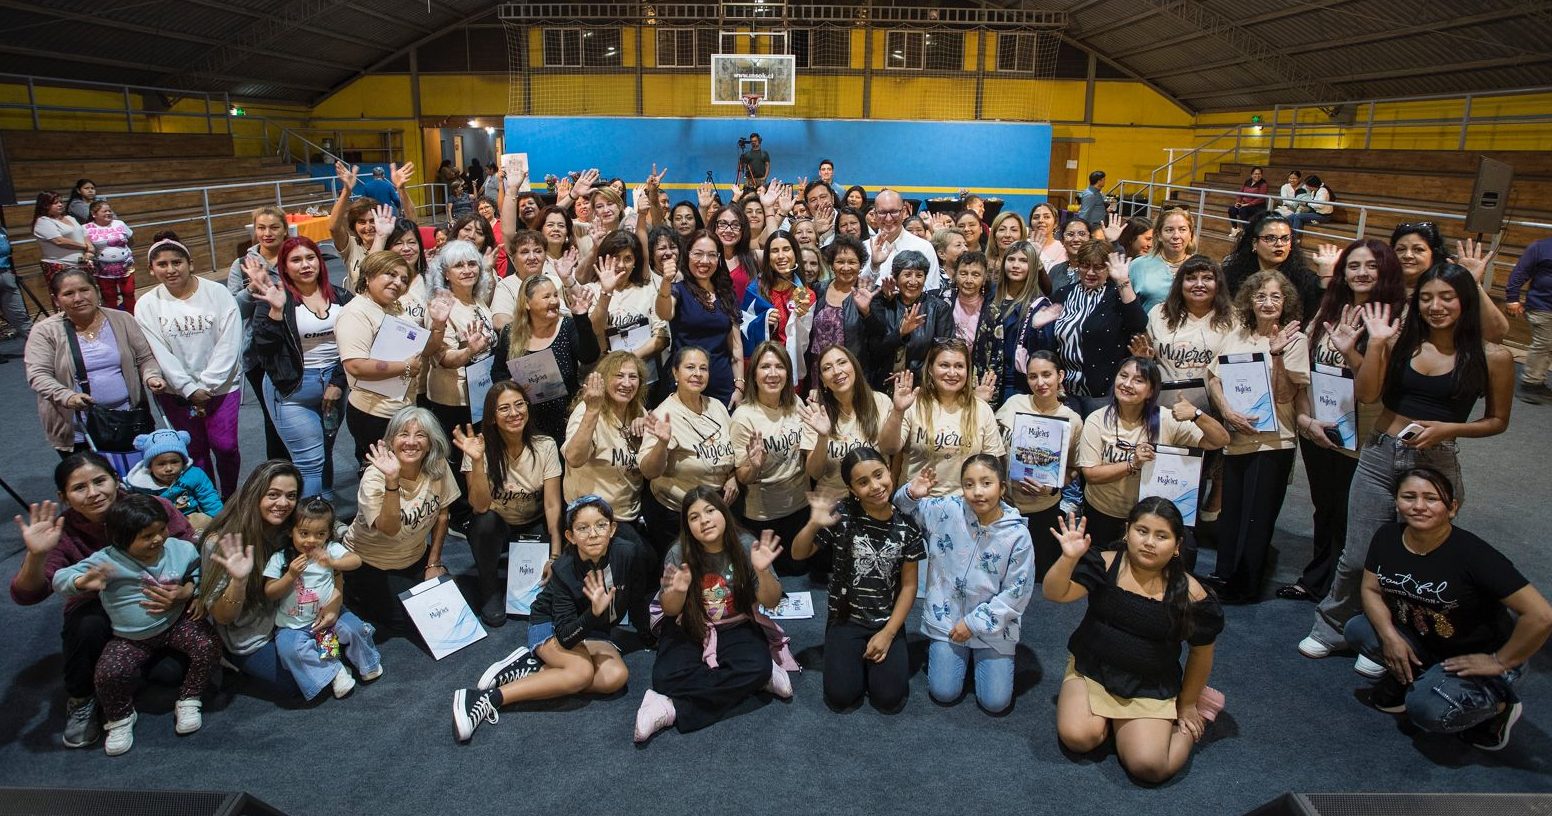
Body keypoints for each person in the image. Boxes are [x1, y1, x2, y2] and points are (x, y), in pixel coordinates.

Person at [1300, 264, 1513, 662]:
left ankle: (1388, 639)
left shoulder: (1492, 356)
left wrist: (1449, 429)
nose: (1436, 306)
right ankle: (1332, 627)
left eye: (1447, 297)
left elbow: (1497, 421)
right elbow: (1366, 395)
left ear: (1465, 300)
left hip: (1435, 463)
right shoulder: (1400, 341)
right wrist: (1370, 347)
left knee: (1414, 560)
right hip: (1380, 454)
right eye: (1428, 297)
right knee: (1358, 553)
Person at [1345, 468, 1551, 751]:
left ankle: (1500, 706)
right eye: (1409, 497)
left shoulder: (1473, 555)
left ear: (1452, 508)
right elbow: (1370, 589)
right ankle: (1420, 677)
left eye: (1431, 498)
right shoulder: (1387, 536)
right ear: (1396, 502)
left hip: (1476, 655)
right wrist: (1390, 637)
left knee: (1426, 711)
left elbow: (1541, 615)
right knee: (1359, 629)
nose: (1418, 506)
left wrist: (1500, 661)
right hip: (1427, 640)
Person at [10, 453, 195, 748]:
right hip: (98, 611)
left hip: (156, 606)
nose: (94, 493)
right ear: (64, 496)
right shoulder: (62, 530)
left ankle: (125, 667)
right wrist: (37, 554)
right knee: (86, 624)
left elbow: (191, 549)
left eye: (100, 481)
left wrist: (186, 590)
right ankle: (82, 698)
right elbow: (28, 594)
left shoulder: (152, 507)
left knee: (170, 674)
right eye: (80, 487)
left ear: (115, 479)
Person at [1043, 499, 1226, 784]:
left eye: (1161, 536)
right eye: (1142, 531)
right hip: (1092, 670)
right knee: (1079, 738)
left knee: (1149, 766)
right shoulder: (1104, 563)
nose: (1149, 542)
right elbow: (1055, 594)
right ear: (1127, 531)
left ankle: (1199, 707)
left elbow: (1201, 653)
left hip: (1150, 685)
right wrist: (1067, 559)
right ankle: (1118, 725)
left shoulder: (1192, 593)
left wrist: (1188, 703)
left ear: (1177, 545)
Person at [452, 495, 659, 742]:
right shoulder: (564, 570)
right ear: (570, 536)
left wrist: (647, 634)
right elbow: (566, 635)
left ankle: (532, 667)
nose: (593, 534)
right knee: (581, 672)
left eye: (601, 525)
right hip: (552, 625)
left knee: (615, 677)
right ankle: (488, 698)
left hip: (595, 629)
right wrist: (593, 614)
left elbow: (635, 598)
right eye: (583, 528)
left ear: (613, 528)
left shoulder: (629, 553)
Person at [1282, 239, 1406, 602]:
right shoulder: (1328, 310)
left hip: (1365, 434)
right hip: (1321, 427)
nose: (1362, 273)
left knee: (1355, 515)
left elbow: (1374, 391)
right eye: (1353, 266)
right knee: (1326, 508)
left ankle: (1350, 590)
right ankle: (1317, 577)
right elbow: (1304, 369)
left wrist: (1351, 351)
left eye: (1371, 266)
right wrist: (1306, 420)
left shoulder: (1396, 320)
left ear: (1386, 270)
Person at [53, 493, 220, 756]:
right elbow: (60, 577)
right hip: (129, 638)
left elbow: (200, 570)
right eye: (146, 536)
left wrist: (193, 590)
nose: (157, 539)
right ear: (120, 539)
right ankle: (120, 718)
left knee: (208, 645)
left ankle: (190, 697)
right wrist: (82, 581)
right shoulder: (107, 559)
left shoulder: (180, 549)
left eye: (161, 530)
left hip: (176, 624)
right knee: (108, 674)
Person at [634, 486, 793, 742]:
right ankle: (753, 681)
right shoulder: (678, 552)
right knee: (665, 679)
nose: (704, 520)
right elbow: (670, 610)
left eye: (710, 510)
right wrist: (679, 592)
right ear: (687, 526)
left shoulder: (745, 545)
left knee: (757, 666)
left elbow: (772, 602)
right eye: (694, 517)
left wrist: (762, 572)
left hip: (736, 623)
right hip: (690, 624)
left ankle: (671, 708)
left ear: (724, 513)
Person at [893, 456, 1033, 714]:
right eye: (969, 484)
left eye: (986, 483)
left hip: (992, 626)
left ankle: (980, 658)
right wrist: (912, 493)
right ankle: (962, 658)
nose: (977, 492)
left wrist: (973, 624)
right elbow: (899, 507)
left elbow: (1017, 592)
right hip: (947, 620)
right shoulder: (946, 509)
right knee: (944, 693)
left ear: (1002, 487)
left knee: (995, 703)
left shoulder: (1018, 534)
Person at [792, 447, 924, 711]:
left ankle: (871, 656)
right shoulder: (842, 515)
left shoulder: (908, 527)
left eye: (879, 475)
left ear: (890, 472)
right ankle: (852, 657)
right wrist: (814, 523)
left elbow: (909, 587)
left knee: (888, 698)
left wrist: (888, 634)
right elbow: (799, 553)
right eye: (863, 482)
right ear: (852, 489)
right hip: (845, 620)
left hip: (886, 620)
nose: (875, 486)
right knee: (841, 696)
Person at [1207, 271, 1308, 603]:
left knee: (1257, 515)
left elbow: (1283, 395)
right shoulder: (1236, 335)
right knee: (1233, 511)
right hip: (1236, 437)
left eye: (1275, 297)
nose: (1267, 303)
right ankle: (1224, 575)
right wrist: (1228, 414)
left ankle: (1245, 586)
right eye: (1260, 296)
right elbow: (1213, 379)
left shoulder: (1295, 340)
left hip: (1273, 441)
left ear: (1286, 302)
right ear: (1249, 300)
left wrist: (1276, 354)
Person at [1078, 356, 1228, 558]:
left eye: (1138, 380)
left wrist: (1196, 414)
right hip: (1104, 512)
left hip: (1147, 519)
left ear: (1151, 391)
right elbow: (1091, 475)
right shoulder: (1097, 419)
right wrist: (1132, 462)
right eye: (1123, 376)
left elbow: (1220, 440)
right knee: (1101, 572)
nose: (1127, 384)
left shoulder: (1165, 418)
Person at [198, 460, 320, 700]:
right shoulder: (222, 542)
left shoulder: (290, 527)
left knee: (330, 656)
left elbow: (328, 527)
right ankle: (230, 663)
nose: (283, 504)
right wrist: (238, 580)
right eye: (273, 495)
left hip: (292, 617)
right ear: (255, 494)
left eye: (291, 496)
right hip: (250, 636)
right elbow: (223, 616)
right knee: (298, 684)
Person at [134, 232, 243, 497]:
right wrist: (188, 388)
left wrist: (207, 385)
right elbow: (159, 351)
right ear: (151, 270)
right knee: (195, 451)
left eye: (177, 262)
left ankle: (230, 497)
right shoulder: (146, 305)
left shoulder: (217, 293)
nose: (171, 269)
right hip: (178, 392)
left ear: (190, 263)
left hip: (222, 387)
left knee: (226, 446)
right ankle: (207, 500)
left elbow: (229, 342)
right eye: (162, 264)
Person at [24, 268, 165, 468]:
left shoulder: (122, 319)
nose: (78, 298)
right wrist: (67, 396)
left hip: (129, 420)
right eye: (68, 294)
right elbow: (38, 375)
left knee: (139, 479)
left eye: (84, 290)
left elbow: (145, 358)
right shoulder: (44, 331)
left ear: (96, 290)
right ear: (56, 300)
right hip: (79, 428)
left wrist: (151, 376)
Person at [246, 236, 352, 500]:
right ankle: (311, 521)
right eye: (296, 260)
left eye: (310, 257)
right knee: (310, 462)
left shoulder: (341, 296)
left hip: (334, 387)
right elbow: (264, 349)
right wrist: (275, 311)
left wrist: (338, 383)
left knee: (324, 450)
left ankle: (323, 505)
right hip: (292, 390)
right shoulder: (276, 297)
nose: (305, 265)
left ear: (320, 261)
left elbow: (356, 344)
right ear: (284, 266)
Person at [341, 406, 461, 636]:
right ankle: (351, 592)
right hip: (370, 560)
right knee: (405, 623)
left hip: (414, 555)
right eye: (403, 434)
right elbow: (389, 529)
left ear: (430, 442)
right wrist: (392, 481)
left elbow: (443, 515)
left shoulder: (437, 465)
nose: (411, 442)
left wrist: (433, 562)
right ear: (391, 440)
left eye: (421, 435)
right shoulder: (375, 478)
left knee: (445, 609)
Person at [455, 382, 564, 627]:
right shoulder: (477, 447)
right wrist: (477, 461)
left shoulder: (545, 445)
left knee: (547, 596)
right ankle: (489, 588)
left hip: (533, 524)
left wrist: (556, 554)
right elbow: (480, 506)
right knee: (484, 522)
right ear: (492, 417)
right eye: (504, 408)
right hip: (498, 525)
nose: (514, 413)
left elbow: (552, 505)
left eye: (519, 405)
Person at [261, 497, 381, 701]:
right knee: (289, 650)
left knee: (355, 629)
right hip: (294, 624)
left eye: (320, 534)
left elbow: (356, 561)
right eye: (304, 533)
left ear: (328, 534)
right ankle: (335, 671)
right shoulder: (281, 558)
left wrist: (333, 562)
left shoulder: (330, 550)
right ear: (291, 531)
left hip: (331, 616)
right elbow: (270, 592)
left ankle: (367, 661)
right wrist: (290, 576)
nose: (311, 541)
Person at [336, 250, 449, 468]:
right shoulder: (356, 312)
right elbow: (355, 365)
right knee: (384, 477)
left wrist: (438, 325)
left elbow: (425, 350)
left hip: (402, 410)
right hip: (373, 414)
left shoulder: (396, 309)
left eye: (404, 279)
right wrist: (405, 367)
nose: (398, 283)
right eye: (390, 275)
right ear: (368, 276)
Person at [639, 347, 738, 556]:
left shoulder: (717, 406)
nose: (698, 374)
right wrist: (661, 444)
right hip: (677, 515)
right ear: (675, 373)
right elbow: (649, 471)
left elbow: (733, 451)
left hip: (717, 508)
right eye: (690, 367)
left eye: (703, 368)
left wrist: (733, 476)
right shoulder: (663, 415)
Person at [490, 272, 599, 443]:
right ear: (527, 303)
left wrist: (581, 318)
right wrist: (511, 385)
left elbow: (589, 356)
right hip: (526, 423)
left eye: (555, 295)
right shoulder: (510, 333)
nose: (554, 301)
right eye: (546, 297)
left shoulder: (567, 326)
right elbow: (497, 373)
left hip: (565, 418)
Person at [731, 342, 809, 575]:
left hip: (800, 509)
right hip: (763, 517)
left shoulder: (796, 403)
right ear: (754, 374)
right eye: (765, 367)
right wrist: (754, 466)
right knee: (766, 580)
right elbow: (742, 477)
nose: (773, 374)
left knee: (799, 574)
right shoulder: (743, 417)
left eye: (779, 366)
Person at [1045, 240, 1148, 417]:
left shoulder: (1117, 294)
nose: (1091, 272)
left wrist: (1123, 280)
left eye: (1099, 267)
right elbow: (1051, 341)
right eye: (1085, 265)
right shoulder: (1063, 294)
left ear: (1108, 269)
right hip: (1065, 390)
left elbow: (1139, 322)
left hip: (1103, 392)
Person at [891, 338, 1004, 498]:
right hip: (915, 503)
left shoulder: (982, 409)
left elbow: (992, 465)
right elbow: (890, 449)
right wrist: (897, 411)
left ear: (968, 370)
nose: (952, 373)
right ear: (930, 369)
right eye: (944, 365)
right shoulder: (912, 404)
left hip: (964, 506)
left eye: (959, 366)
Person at [563, 353, 652, 546]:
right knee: (643, 558)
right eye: (619, 376)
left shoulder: (638, 411)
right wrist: (592, 411)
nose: (626, 383)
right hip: (595, 515)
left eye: (633, 377)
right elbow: (574, 458)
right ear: (603, 379)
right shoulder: (586, 411)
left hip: (631, 512)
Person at [227, 205, 290, 462]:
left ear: (285, 229)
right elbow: (233, 311)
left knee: (299, 414)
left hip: (297, 348)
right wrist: (253, 286)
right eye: (261, 228)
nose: (267, 233)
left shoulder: (298, 256)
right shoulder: (242, 264)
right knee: (273, 416)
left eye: (274, 227)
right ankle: (279, 470)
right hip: (260, 354)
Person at [656, 230, 742, 406]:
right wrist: (666, 282)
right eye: (698, 254)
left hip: (722, 385)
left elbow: (736, 347)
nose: (704, 261)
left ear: (719, 259)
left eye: (711, 255)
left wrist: (739, 386)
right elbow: (664, 313)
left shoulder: (726, 294)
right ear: (687, 255)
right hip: (685, 385)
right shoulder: (677, 290)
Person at [1389, 221, 1509, 343]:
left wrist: (1472, 284)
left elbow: (1496, 334)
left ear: (1434, 254)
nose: (1407, 255)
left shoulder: (1451, 290)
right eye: (1400, 249)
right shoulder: (1381, 286)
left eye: (1418, 249)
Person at [867, 249, 954, 391]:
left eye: (919, 275)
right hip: (882, 384)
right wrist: (900, 333)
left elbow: (943, 352)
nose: (913, 281)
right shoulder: (883, 303)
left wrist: (910, 376)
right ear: (895, 277)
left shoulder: (939, 309)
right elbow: (873, 350)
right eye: (907, 275)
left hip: (923, 386)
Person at [1221, 211, 1323, 324]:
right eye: (1270, 238)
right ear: (1254, 243)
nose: (1279, 244)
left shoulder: (1306, 281)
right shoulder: (1232, 275)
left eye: (1285, 238)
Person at [125, 429, 222, 532]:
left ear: (183, 462)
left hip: (190, 519)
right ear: (150, 466)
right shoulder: (141, 485)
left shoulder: (194, 475)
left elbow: (209, 497)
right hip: (161, 525)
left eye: (175, 462)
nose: (169, 468)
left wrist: (220, 522)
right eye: (161, 464)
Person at [862, 190, 941, 292]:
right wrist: (874, 265)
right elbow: (860, 291)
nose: (888, 219)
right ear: (875, 215)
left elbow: (931, 291)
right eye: (882, 213)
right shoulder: (865, 247)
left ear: (903, 212)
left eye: (894, 212)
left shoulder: (924, 247)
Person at [1506, 235, 1552, 403]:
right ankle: (1530, 384)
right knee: (1543, 344)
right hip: (1543, 307)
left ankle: (1537, 380)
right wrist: (1512, 298)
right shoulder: (1541, 246)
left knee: (1547, 346)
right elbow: (1520, 272)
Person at [1128, 208, 1196, 315]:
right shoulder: (1138, 265)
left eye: (1182, 229)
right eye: (1169, 230)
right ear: (1159, 235)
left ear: (1190, 234)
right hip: (1146, 330)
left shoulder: (1201, 267)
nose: (1176, 236)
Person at [84, 200, 135, 313]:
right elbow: (87, 248)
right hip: (103, 270)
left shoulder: (119, 223)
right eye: (104, 211)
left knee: (129, 292)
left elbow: (131, 240)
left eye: (109, 210)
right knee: (109, 296)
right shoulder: (86, 228)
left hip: (125, 267)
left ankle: (132, 316)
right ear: (94, 214)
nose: (108, 213)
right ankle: (114, 320)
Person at [32, 191, 93, 283]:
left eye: (61, 202)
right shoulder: (43, 221)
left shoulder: (70, 218)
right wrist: (85, 246)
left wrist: (90, 250)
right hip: (61, 265)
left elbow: (84, 233)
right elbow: (59, 241)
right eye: (55, 203)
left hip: (81, 263)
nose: (60, 205)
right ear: (45, 205)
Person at [1048, 219, 1091, 294]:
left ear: (1090, 239)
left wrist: (1113, 241)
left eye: (1082, 234)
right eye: (1070, 234)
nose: (1076, 239)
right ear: (1062, 241)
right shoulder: (1055, 270)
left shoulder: (1097, 269)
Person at [1227, 167, 1269, 236]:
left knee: (1242, 210)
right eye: (1255, 174)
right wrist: (1238, 202)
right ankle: (1235, 229)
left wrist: (1247, 204)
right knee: (1232, 210)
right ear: (1251, 174)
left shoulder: (1263, 184)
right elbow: (1240, 193)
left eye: (1259, 174)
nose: (1257, 176)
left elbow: (1260, 198)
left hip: (1257, 207)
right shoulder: (1247, 182)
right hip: (1244, 205)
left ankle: (1248, 232)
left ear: (1261, 175)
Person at [1029, 203, 1065, 271]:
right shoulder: (1024, 246)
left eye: (1046, 217)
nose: (1041, 220)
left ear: (1056, 223)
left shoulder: (1063, 250)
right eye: (1036, 217)